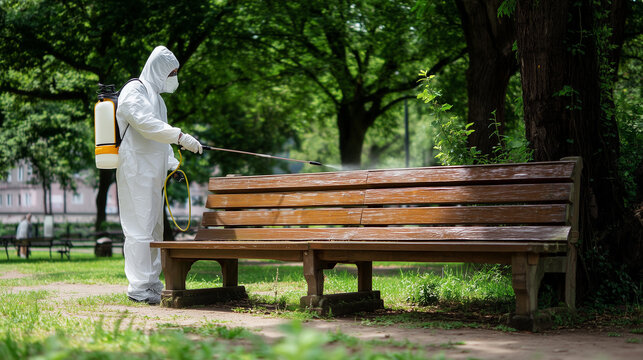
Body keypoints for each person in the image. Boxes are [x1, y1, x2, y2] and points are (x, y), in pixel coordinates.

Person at [116, 45, 202, 305]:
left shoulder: (159, 99)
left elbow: (160, 138)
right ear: (159, 70)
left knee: (154, 229)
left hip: (152, 173)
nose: (174, 78)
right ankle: (139, 288)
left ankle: (152, 284)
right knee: (139, 229)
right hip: (135, 169)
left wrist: (171, 162)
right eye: (171, 73)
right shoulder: (135, 90)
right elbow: (145, 124)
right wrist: (180, 136)